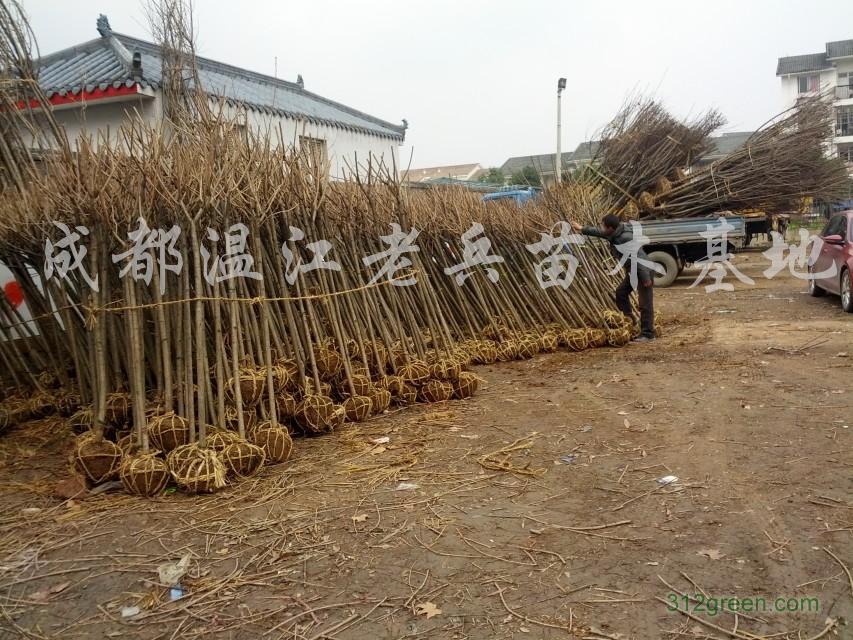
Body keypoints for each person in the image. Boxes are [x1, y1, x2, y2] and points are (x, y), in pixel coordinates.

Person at [570, 214, 656, 342]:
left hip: (643, 270)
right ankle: (629, 320)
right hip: (633, 271)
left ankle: (648, 334)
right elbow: (599, 232)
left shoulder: (625, 238)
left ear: (610, 228)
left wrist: (645, 278)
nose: (602, 228)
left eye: (603, 226)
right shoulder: (616, 232)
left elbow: (637, 258)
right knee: (621, 292)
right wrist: (581, 228)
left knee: (645, 303)